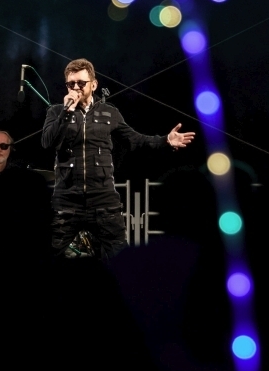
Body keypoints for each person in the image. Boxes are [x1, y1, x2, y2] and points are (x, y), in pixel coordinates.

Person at [41, 58, 195, 259]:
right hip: (66, 201)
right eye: (71, 84)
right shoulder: (56, 112)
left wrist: (165, 140)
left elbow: (135, 140)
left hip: (103, 201)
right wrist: (66, 113)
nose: (76, 87)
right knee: (45, 257)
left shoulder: (109, 112)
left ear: (93, 84)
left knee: (121, 258)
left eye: (81, 83)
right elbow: (47, 142)